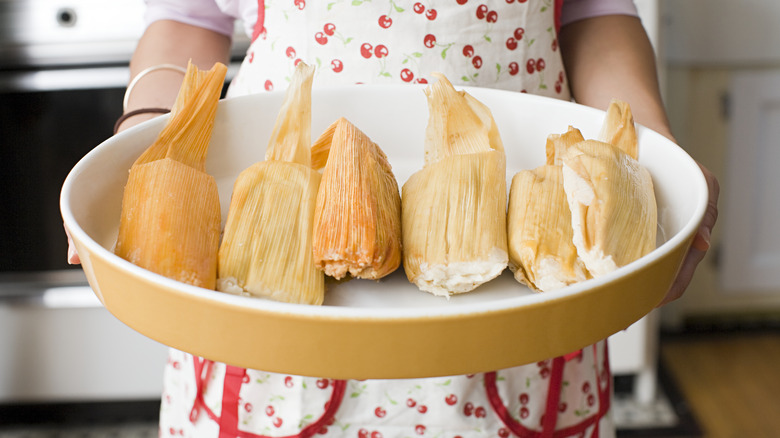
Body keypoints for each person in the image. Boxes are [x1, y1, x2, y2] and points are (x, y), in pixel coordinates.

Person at [68, 1, 720, 436]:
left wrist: (653, 160)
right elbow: (186, 18)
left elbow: (594, 11)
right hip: (269, 311)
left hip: (527, 286)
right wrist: (146, 143)